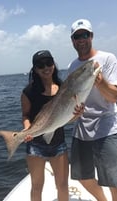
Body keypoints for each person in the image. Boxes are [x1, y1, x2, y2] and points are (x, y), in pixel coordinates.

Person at [68, 19, 117, 201]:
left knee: (115, 184)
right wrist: (74, 111)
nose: (81, 39)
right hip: (81, 130)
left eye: (85, 35)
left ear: (91, 36)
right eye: (77, 36)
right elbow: (72, 100)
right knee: (82, 177)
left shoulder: (107, 59)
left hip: (106, 129)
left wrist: (100, 81)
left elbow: (113, 97)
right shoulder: (73, 66)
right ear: (72, 40)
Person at [21, 50, 74, 201]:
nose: (46, 68)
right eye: (40, 65)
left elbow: (67, 118)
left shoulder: (64, 88)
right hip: (35, 144)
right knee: (37, 186)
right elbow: (25, 115)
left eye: (49, 63)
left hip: (58, 144)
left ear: (54, 64)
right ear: (35, 69)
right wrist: (27, 129)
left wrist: (77, 114)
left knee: (63, 185)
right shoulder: (28, 92)